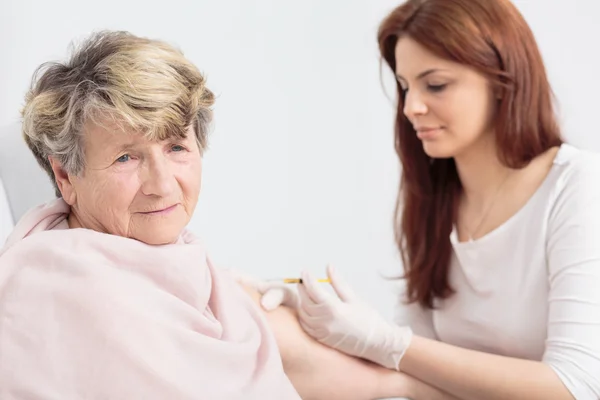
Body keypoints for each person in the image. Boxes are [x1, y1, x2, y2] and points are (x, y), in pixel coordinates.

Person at [0, 30, 412, 400]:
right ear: (64, 174)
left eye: (176, 148)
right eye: (126, 157)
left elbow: (380, 382)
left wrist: (390, 349)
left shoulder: (191, 273)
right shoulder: (68, 290)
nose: (162, 184)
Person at [258, 0, 600, 399]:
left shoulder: (577, 186)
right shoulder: (436, 199)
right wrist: (323, 320)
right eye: (405, 86)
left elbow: (577, 385)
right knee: (276, 327)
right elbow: (417, 372)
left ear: (502, 78)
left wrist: (389, 346)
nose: (410, 107)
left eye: (435, 84)